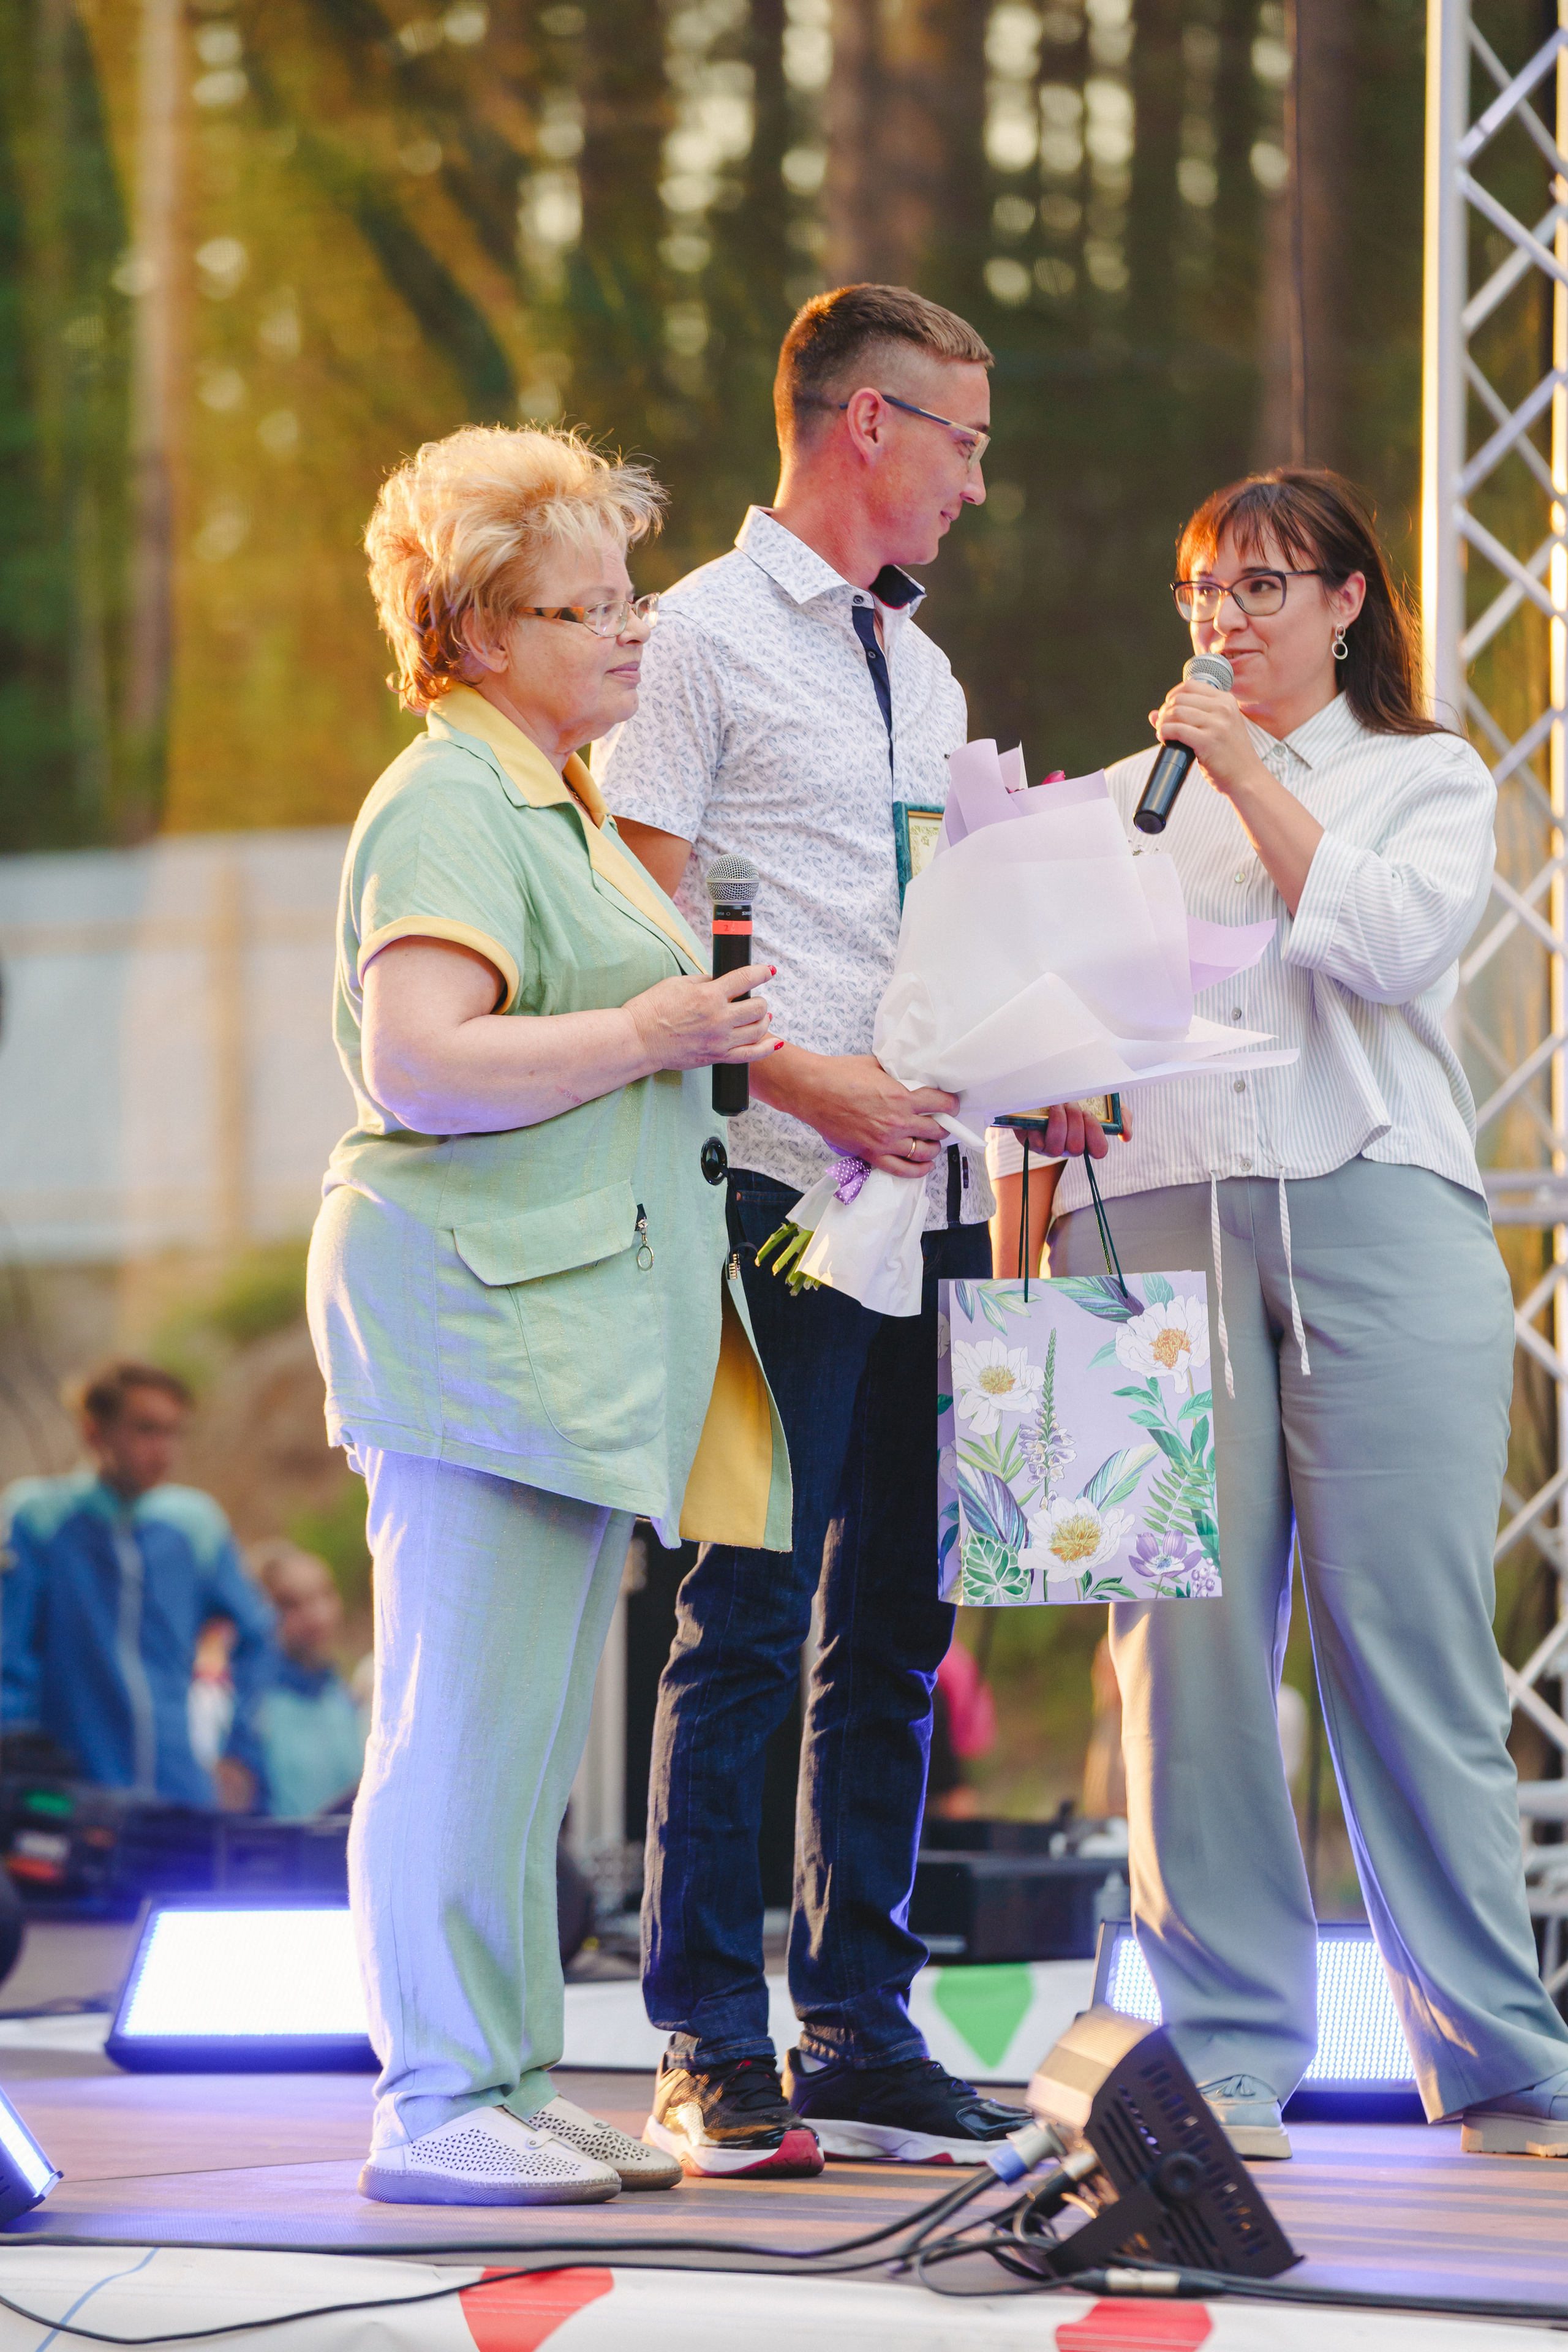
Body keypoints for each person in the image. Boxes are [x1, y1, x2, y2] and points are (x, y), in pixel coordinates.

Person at [600, 282, 1105, 2175]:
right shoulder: (692, 638)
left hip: (934, 1190)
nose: (978, 482)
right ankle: (703, 2032)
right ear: (869, 424)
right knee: (744, 1608)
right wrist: (806, 1083)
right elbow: (639, 920)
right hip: (773, 1192)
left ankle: (863, 2021)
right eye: (964, 441)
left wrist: (1041, 1060)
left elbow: (936, 930)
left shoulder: (928, 668)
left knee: (897, 1621)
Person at [1044, 465, 1568, 2162]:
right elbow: (1031, 1022)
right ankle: (1219, 2059)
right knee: (1173, 1662)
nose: (1227, 618)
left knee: (1406, 1639)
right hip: (1137, 1221)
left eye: (1263, 585)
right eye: (1204, 588)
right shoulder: (1115, 802)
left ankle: (1497, 2054)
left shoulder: (1424, 774)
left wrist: (1248, 769)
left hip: (1372, 1201)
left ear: (1347, 603)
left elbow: (1389, 949)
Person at [306, 423, 790, 2208]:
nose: (629, 629)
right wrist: (656, 1029)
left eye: (627, 597)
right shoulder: (448, 797)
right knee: (457, 1728)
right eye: (587, 607)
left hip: (560, 1322)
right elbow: (420, 1062)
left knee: (514, 1745)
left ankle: (503, 2075)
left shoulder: (552, 794)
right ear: (476, 629)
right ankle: (437, 2097)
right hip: (476, 1318)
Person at [1, 1362, 276, 1811]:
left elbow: (258, 1636)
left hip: (179, 1788)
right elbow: (9, 1656)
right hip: (71, 1790)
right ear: (95, 1432)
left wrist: (240, 1752)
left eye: (174, 1432)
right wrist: (14, 1754)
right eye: (146, 1430)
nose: (164, 1449)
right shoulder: (41, 1518)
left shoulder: (194, 1524)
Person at [249, 1540, 365, 1817]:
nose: (319, 1616)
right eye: (292, 1604)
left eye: (325, 1594)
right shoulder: (250, 1709)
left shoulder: (343, 1698)